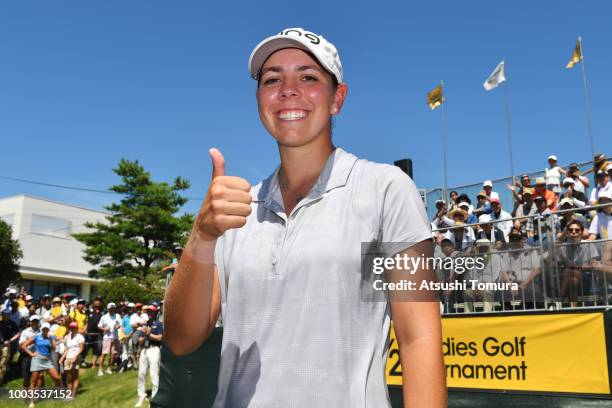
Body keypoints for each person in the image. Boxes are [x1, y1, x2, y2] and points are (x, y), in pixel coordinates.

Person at [163, 27, 446, 407]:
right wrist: (201, 236)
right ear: (260, 99)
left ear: (337, 99)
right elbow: (182, 339)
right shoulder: (236, 211)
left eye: (308, 77)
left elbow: (418, 338)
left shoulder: (386, 190)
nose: (288, 89)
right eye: (272, 79)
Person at [21, 322, 62, 408]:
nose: (45, 330)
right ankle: (32, 402)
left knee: (57, 378)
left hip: (47, 360)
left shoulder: (51, 337)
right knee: (33, 380)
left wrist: (51, 339)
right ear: (41, 329)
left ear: (48, 329)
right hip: (37, 359)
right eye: (44, 329)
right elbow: (24, 345)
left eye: (47, 329)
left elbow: (55, 349)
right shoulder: (37, 336)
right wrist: (31, 354)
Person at [135, 304, 163, 407]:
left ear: (155, 312)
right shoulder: (145, 324)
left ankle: (155, 398)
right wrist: (142, 338)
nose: (150, 313)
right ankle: (141, 395)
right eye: (148, 312)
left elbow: (160, 338)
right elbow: (141, 340)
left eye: (151, 312)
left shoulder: (158, 324)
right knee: (141, 374)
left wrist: (148, 334)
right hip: (144, 350)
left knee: (154, 375)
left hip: (154, 350)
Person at [60, 322, 84, 400]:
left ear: (76, 328)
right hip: (68, 358)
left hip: (75, 358)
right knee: (69, 377)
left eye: (74, 328)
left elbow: (81, 348)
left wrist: (75, 357)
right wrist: (62, 358)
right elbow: (67, 349)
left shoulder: (80, 337)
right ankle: (69, 395)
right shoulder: (68, 336)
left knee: (75, 376)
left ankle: (73, 395)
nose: (72, 329)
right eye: (71, 328)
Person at [98, 302, 121, 376]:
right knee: (104, 354)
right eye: (111, 308)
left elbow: (119, 324)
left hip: (115, 337)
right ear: (108, 309)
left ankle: (109, 368)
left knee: (112, 354)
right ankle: (100, 369)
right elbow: (99, 326)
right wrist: (104, 329)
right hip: (107, 337)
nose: (112, 310)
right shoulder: (104, 317)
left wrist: (118, 326)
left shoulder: (117, 316)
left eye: (113, 308)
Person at [18, 315, 41, 388]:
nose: (35, 322)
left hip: (38, 356)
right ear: (30, 322)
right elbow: (21, 344)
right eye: (33, 321)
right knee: (26, 377)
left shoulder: (41, 331)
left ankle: (36, 395)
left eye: (36, 321)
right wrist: (31, 340)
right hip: (26, 355)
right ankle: (26, 396)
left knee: (38, 377)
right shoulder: (25, 331)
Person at [85, 298, 103, 369]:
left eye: (99, 301)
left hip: (98, 334)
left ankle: (94, 364)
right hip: (88, 333)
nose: (97, 302)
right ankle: (82, 362)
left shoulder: (103, 312)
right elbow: (85, 321)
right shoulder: (89, 311)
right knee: (85, 349)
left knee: (96, 350)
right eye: (96, 301)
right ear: (94, 302)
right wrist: (85, 329)